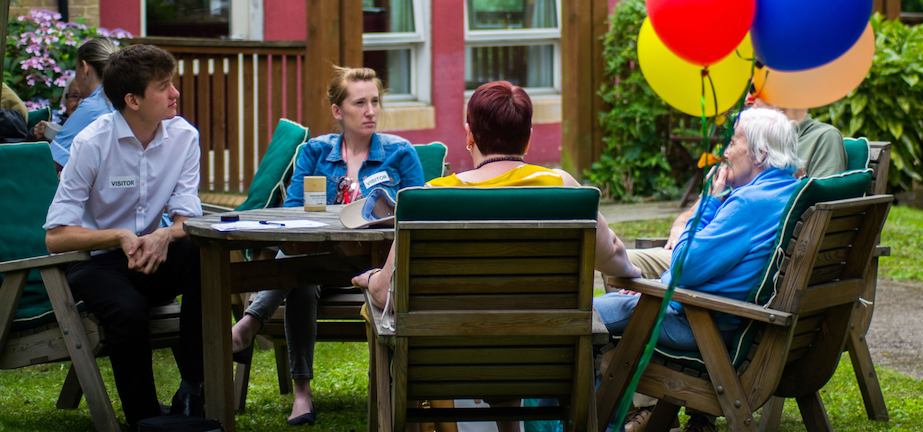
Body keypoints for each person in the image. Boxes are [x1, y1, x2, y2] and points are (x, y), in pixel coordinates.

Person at [353, 80, 641, 432]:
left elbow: (386, 294)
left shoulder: (430, 198)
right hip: (545, 358)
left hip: (445, 361)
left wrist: (370, 280)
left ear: (469, 134)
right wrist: (635, 270)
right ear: (529, 136)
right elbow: (613, 257)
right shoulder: (562, 188)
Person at [230, 66, 425, 425]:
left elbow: (417, 212)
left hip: (374, 267)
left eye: (375, 102)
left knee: (296, 272)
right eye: (360, 102)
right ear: (338, 111)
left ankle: (249, 323)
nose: (370, 111)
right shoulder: (314, 152)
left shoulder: (400, 153)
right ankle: (302, 394)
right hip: (318, 258)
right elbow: (292, 214)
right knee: (301, 281)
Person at [594, 107, 801, 432]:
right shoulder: (787, 193)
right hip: (731, 321)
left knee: (586, 317)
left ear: (760, 153)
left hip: (704, 327)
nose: (726, 152)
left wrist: (711, 199)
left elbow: (683, 267)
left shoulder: (748, 204)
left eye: (733, 142)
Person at [43, 44, 204, 429]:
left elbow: (187, 220)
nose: (175, 93)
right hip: (97, 263)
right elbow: (56, 236)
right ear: (132, 100)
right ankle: (144, 417)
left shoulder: (184, 137)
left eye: (172, 83)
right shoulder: (91, 143)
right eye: (164, 86)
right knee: (127, 310)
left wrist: (165, 234)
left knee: (202, 252)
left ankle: (196, 386)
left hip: (152, 251)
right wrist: (117, 236)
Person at [627, 97, 846, 282]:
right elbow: (700, 208)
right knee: (624, 262)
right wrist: (681, 227)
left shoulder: (818, 140)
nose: (747, 99)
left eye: (754, 90)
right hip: (710, 246)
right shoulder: (743, 148)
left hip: (731, 257)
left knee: (622, 271)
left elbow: (820, 217)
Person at [50, 37, 118, 167]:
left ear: (85, 68)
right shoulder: (123, 98)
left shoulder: (92, 106)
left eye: (76, 69)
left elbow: (53, 162)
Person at [32, 73, 84, 141]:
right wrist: (37, 135)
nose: (79, 103)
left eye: (86, 98)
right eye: (74, 96)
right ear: (65, 100)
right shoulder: (58, 128)